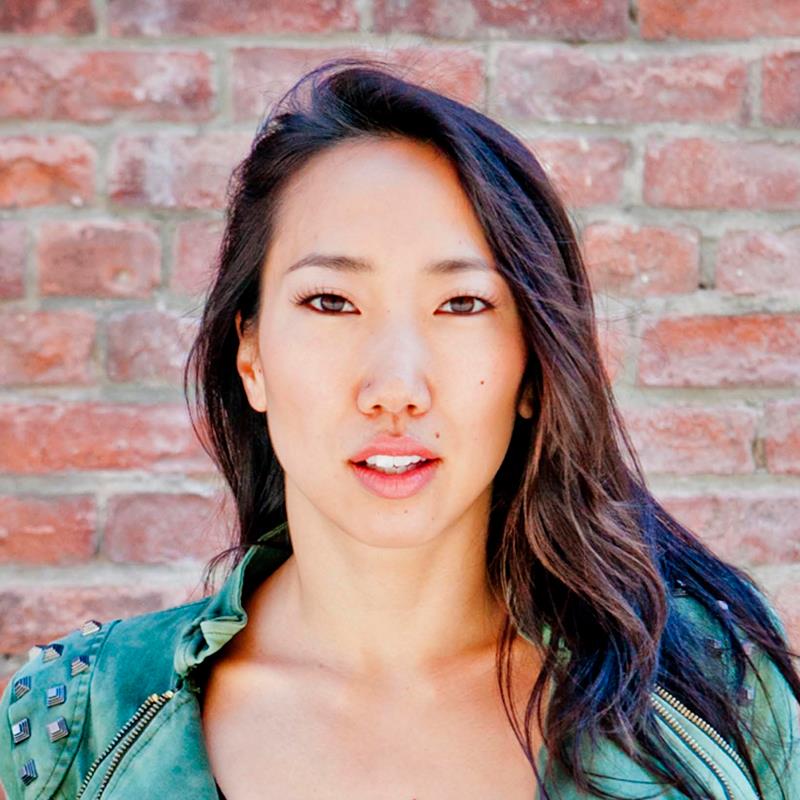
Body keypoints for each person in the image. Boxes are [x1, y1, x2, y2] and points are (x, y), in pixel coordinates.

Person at [1, 57, 798, 800]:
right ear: (251, 356)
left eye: (462, 304)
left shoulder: (713, 694)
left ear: (533, 367)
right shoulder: (81, 722)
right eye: (330, 302)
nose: (394, 390)